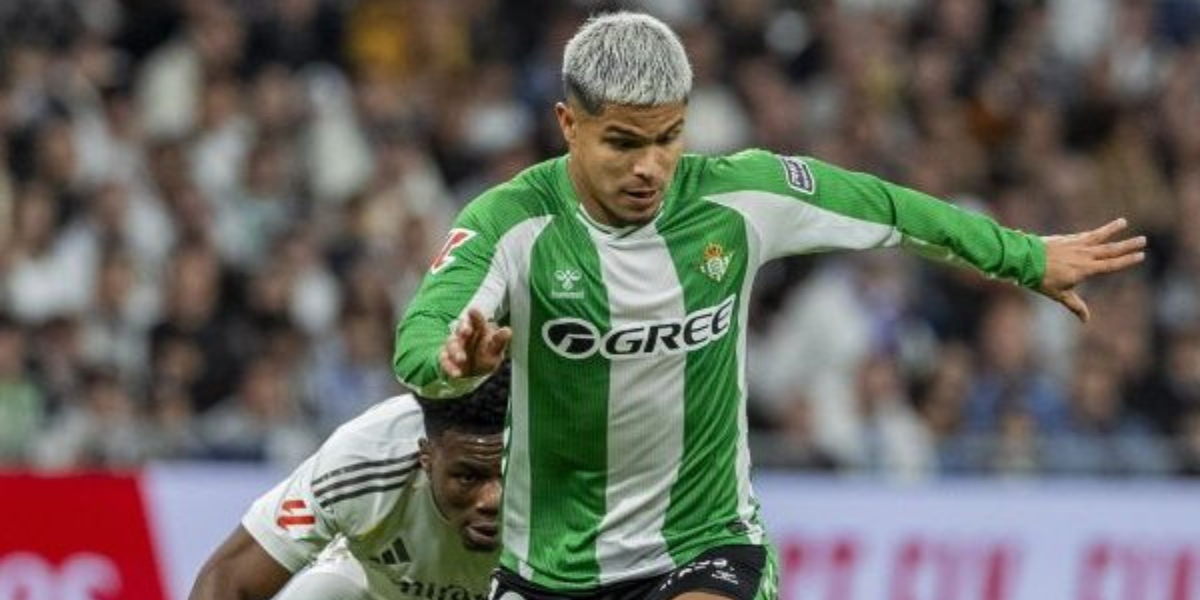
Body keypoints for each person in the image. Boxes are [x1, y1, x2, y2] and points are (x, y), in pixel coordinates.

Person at [392, 12, 1146, 600]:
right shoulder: (511, 221)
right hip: (548, 567)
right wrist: (451, 363)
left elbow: (888, 209)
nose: (650, 166)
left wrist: (1025, 256)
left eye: (668, 138)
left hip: (703, 545)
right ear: (568, 125)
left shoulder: (740, 195)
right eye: (622, 142)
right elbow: (422, 335)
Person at [188, 362, 509, 600]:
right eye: (468, 477)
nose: (491, 499)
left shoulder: (556, 467)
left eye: (507, 474)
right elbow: (229, 579)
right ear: (425, 458)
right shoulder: (363, 459)